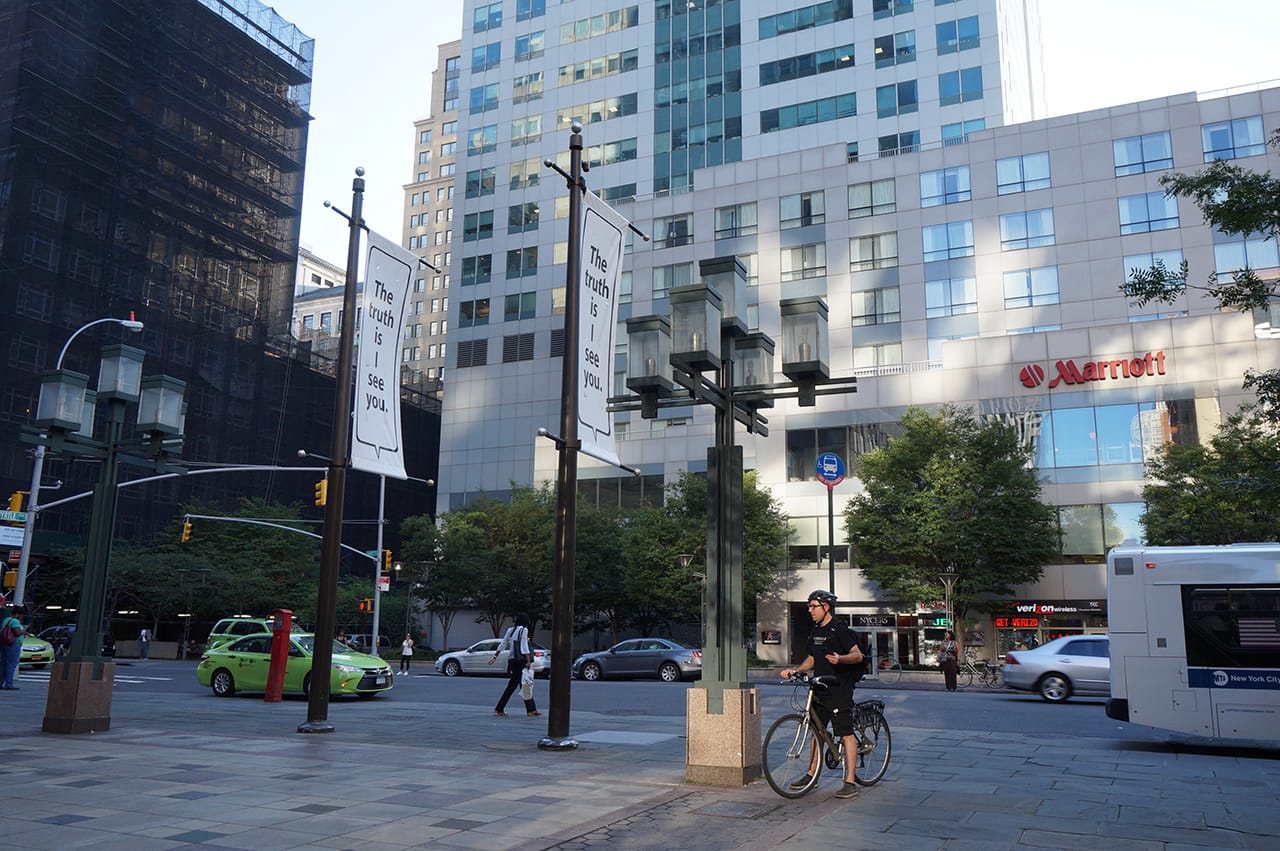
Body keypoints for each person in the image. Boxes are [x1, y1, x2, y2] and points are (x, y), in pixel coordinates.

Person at [779, 590, 864, 800]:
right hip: (819, 687)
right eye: (809, 606)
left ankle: (850, 782)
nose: (810, 610)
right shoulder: (816, 630)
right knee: (817, 732)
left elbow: (857, 655)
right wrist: (797, 671)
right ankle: (812, 775)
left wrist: (841, 659)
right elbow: (812, 658)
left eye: (813, 606)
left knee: (845, 732)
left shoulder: (839, 629)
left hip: (839, 688)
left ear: (826, 607)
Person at [488, 612, 539, 717]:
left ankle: (531, 709)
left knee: (521, 685)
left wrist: (495, 656)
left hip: (512, 661)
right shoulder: (524, 630)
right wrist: (528, 661)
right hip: (521, 661)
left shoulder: (510, 630)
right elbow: (524, 647)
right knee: (521, 685)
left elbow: (503, 643)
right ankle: (500, 709)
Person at [1, 604, 27, 690]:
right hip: (13, 644)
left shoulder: (6, 620)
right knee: (11, 664)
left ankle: (1, 683)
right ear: (18, 614)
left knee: (4, 664)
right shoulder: (15, 621)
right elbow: (17, 633)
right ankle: (9, 684)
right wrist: (24, 629)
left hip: (5, 643)